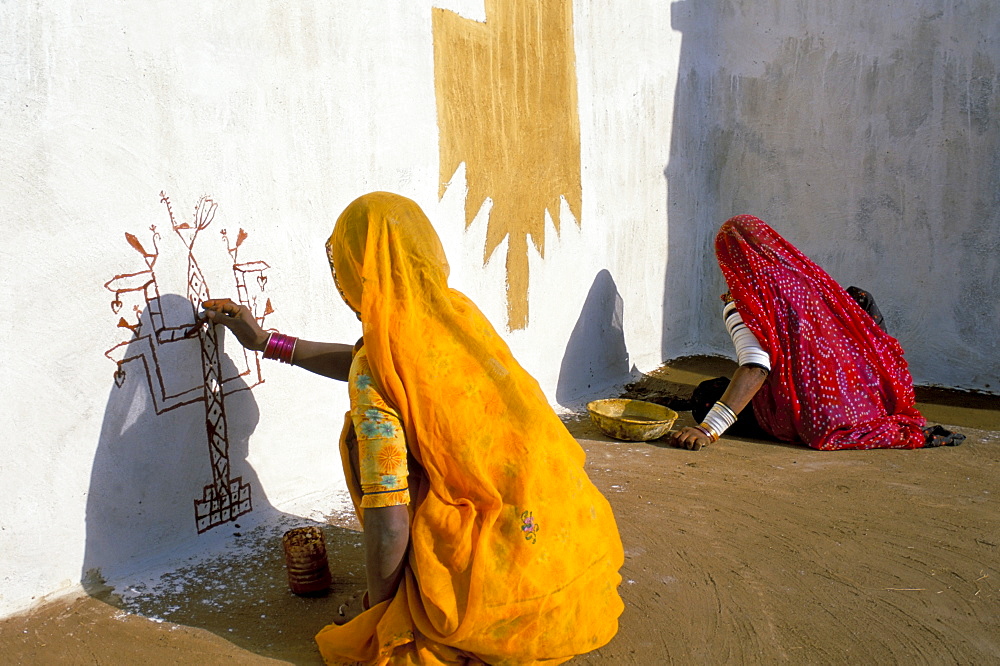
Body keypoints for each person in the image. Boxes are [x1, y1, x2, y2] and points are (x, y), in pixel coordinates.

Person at [201, 192, 624, 664]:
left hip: (496, 578)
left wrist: (377, 612)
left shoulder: (376, 370)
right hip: (559, 542)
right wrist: (266, 342)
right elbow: (380, 362)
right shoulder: (453, 316)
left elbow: (389, 520)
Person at [670, 214, 964, 452]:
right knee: (855, 299)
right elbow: (858, 304)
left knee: (706, 396)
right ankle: (874, 394)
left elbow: (756, 368)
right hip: (865, 401)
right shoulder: (812, 284)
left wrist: (707, 429)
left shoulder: (746, 305)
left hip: (818, 419)